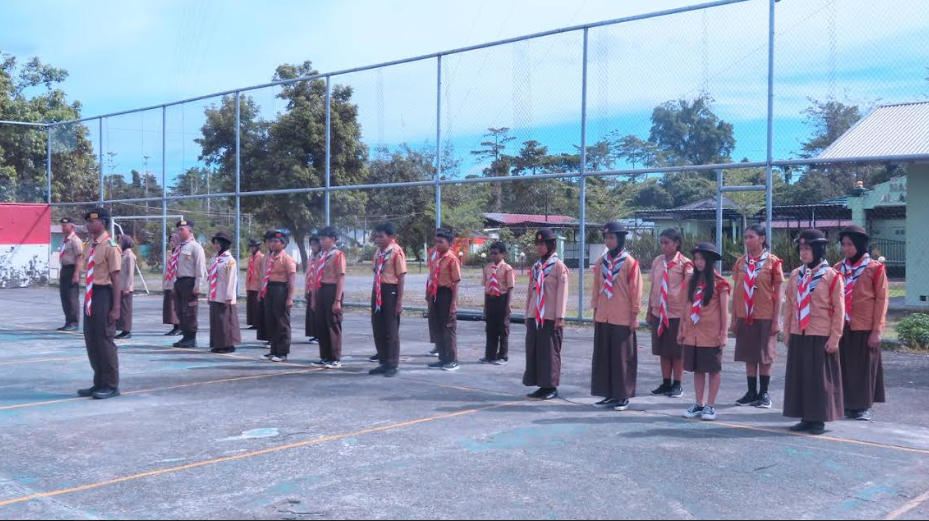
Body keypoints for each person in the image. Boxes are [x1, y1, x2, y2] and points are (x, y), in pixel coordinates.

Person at [783, 229, 845, 436]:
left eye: (808, 248)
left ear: (818, 250)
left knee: (819, 379)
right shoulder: (795, 275)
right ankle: (805, 417)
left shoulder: (831, 276)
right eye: (801, 248)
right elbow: (790, 305)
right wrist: (787, 331)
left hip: (820, 334)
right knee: (800, 376)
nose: (804, 252)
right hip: (799, 333)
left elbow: (839, 309)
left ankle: (818, 419)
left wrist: (835, 338)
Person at [836, 225, 888, 422]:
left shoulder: (875, 268)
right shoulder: (838, 268)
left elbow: (882, 300)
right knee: (844, 365)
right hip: (842, 325)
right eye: (843, 244)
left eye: (850, 244)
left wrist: (877, 330)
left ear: (859, 244)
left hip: (865, 326)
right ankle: (847, 404)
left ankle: (863, 406)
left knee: (864, 367)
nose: (846, 248)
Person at [731, 224, 785, 409]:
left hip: (765, 315)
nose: (747, 241)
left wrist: (776, 320)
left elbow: (778, 293)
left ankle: (764, 393)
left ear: (761, 239)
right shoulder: (741, 262)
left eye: (751, 237)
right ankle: (751, 392)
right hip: (745, 315)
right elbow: (737, 292)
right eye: (745, 237)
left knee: (765, 356)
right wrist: (734, 318)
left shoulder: (772, 262)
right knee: (749, 355)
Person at [590, 222, 643, 412]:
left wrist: (634, 315)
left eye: (612, 237)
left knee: (622, 358)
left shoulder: (629, 262)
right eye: (606, 238)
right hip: (604, 316)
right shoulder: (601, 262)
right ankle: (609, 393)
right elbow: (596, 288)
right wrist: (595, 311)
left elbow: (636, 291)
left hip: (622, 317)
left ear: (620, 239)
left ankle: (623, 395)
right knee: (604, 356)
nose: (609, 241)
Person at [679, 243, 730, 422]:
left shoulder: (720, 284)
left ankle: (710, 405)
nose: (699, 262)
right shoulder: (691, 281)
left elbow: (724, 312)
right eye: (696, 259)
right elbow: (685, 307)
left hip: (711, 334)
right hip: (693, 334)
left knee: (713, 369)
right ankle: (699, 403)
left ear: (710, 261)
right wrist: (681, 329)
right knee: (697, 369)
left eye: (702, 259)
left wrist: (724, 333)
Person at [77, 208, 123, 400]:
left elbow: (116, 278)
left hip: (104, 295)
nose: (88, 224)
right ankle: (99, 382)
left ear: (102, 223)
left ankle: (111, 385)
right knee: (92, 340)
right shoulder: (90, 245)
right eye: (87, 221)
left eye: (91, 221)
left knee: (104, 341)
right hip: (90, 294)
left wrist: (116, 307)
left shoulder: (111, 246)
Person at [647, 228, 693, 399]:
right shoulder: (657, 261)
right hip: (659, 312)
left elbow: (689, 290)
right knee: (663, 350)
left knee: (677, 351)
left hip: (676, 314)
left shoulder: (685, 264)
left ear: (676, 243)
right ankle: (666, 382)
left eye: (667, 243)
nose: (663, 246)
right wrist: (649, 311)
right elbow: (653, 286)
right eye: (661, 243)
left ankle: (677, 384)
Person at [524, 228, 569, 400]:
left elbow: (562, 292)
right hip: (535, 315)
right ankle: (541, 385)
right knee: (535, 350)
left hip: (550, 316)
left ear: (551, 245)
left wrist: (560, 316)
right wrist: (527, 313)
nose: (539, 247)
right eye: (538, 244)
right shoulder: (536, 266)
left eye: (543, 244)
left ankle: (551, 386)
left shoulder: (558, 266)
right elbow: (531, 291)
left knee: (550, 352)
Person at [370, 223, 407, 377]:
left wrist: (399, 301)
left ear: (391, 237)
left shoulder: (396, 252)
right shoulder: (379, 251)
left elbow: (401, 277)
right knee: (378, 327)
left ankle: (392, 364)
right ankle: (383, 361)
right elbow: (375, 270)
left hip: (390, 290)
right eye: (377, 236)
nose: (378, 239)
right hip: (378, 289)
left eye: (381, 236)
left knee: (390, 329)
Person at [426, 228, 462, 372]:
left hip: (447, 294)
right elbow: (431, 277)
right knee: (438, 327)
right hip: (436, 293)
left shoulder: (452, 259)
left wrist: (453, 303)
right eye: (436, 242)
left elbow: (456, 282)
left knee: (448, 327)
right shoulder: (436, 258)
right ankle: (443, 358)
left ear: (449, 244)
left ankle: (453, 360)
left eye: (441, 242)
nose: (438, 245)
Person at [311, 227, 347, 369]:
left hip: (332, 290)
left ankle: (335, 358)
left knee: (333, 324)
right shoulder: (320, 255)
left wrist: (337, 300)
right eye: (320, 239)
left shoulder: (338, 255)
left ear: (332, 239)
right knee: (322, 325)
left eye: (324, 239)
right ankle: (325, 356)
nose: (321, 241)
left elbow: (341, 277)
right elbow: (315, 276)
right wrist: (314, 298)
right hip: (321, 289)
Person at [260, 230, 297, 362]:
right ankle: (273, 350)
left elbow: (292, 280)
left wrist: (290, 298)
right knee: (271, 321)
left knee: (282, 321)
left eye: (276, 241)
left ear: (283, 244)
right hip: (269, 289)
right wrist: (262, 291)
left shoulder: (287, 259)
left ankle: (282, 352)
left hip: (281, 289)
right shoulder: (269, 257)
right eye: (271, 241)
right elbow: (264, 275)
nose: (272, 243)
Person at [171, 221, 206, 349]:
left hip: (189, 282)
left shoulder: (195, 247)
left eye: (182, 229)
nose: (179, 232)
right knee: (180, 311)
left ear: (190, 231)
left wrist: (198, 285)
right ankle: (185, 336)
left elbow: (200, 267)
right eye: (178, 229)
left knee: (190, 311)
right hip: (179, 281)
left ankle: (191, 338)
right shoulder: (179, 247)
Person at [481, 242, 516, 366]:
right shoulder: (487, 268)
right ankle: (490, 355)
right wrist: (485, 306)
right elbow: (486, 287)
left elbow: (510, 287)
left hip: (502, 298)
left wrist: (508, 304)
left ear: (503, 254)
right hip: (490, 299)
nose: (493, 256)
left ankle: (502, 355)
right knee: (490, 328)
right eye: (491, 253)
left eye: (496, 253)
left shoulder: (507, 269)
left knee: (503, 328)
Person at [208, 232, 241, 354]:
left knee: (226, 321)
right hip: (214, 294)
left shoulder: (230, 260)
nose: (216, 245)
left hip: (224, 295)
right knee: (216, 321)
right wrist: (209, 295)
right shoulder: (215, 259)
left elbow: (231, 280)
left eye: (218, 243)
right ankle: (218, 344)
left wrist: (229, 297)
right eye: (215, 243)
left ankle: (228, 345)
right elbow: (211, 277)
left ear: (224, 244)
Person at [57, 217, 83, 331]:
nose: (62, 228)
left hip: (72, 269)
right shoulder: (65, 240)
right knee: (65, 297)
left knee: (72, 297)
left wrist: (76, 274)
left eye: (65, 226)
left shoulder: (75, 240)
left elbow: (79, 257)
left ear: (72, 227)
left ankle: (73, 322)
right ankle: (68, 321)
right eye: (62, 226)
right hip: (65, 269)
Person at [116, 235, 136, 340]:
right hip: (119, 286)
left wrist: (127, 287)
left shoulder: (129, 255)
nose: (118, 243)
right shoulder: (121, 254)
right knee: (121, 309)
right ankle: (122, 329)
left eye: (120, 241)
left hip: (125, 287)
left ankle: (127, 331)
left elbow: (130, 273)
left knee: (125, 310)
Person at [163, 232, 182, 337]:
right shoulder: (170, 254)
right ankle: (175, 327)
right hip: (169, 283)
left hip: (176, 283)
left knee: (176, 306)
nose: (171, 243)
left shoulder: (180, 254)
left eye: (174, 240)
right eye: (170, 241)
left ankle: (179, 327)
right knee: (170, 307)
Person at [305, 235, 322, 345]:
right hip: (311, 288)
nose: (312, 247)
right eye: (311, 245)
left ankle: (320, 335)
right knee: (311, 313)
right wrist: (306, 290)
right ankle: (315, 334)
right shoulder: (311, 257)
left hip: (318, 289)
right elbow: (308, 274)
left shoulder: (322, 256)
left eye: (315, 244)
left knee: (318, 313)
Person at [245, 239, 265, 331]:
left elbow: (263, 272)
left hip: (257, 285)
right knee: (251, 305)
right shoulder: (250, 257)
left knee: (257, 305)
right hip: (250, 284)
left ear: (257, 247)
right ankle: (252, 322)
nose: (251, 248)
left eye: (253, 246)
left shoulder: (261, 257)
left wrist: (261, 286)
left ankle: (258, 323)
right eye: (250, 246)